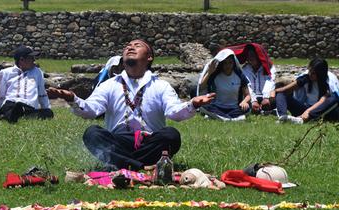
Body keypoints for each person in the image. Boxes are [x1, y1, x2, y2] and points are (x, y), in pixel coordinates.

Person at [47, 39, 215, 171]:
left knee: (171, 135)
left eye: (137, 45)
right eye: (128, 46)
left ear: (149, 57)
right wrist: (72, 99)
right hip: (117, 142)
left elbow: (174, 112)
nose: (130, 47)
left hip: (149, 144)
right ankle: (140, 166)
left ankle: (121, 163)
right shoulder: (110, 84)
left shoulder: (161, 86)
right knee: (92, 133)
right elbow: (91, 110)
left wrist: (192, 104)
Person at [0, 45, 53, 123]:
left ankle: (15, 116)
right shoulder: (6, 73)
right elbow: (1, 95)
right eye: (31, 58)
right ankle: (14, 114)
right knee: (13, 107)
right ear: (21, 60)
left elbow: (42, 94)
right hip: (11, 104)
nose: (34, 61)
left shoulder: (37, 72)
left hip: (28, 106)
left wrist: (47, 108)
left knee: (48, 113)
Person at [272, 58, 339, 124]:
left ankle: (302, 120)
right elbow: (286, 89)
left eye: (313, 73)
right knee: (281, 94)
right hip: (306, 110)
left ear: (320, 74)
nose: (310, 74)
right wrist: (274, 91)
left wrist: (308, 111)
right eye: (310, 71)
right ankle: (283, 118)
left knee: (333, 99)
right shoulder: (306, 77)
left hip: (324, 111)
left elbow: (323, 100)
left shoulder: (329, 81)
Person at [198, 49, 252, 121]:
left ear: (233, 63)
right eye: (225, 63)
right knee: (203, 106)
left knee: (248, 107)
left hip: (234, 108)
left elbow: (248, 95)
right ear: (222, 64)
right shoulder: (215, 75)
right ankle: (232, 119)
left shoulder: (239, 76)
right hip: (217, 107)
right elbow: (202, 87)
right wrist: (209, 72)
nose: (228, 65)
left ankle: (219, 117)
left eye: (230, 63)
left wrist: (244, 101)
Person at [228, 43, 276, 114]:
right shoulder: (245, 70)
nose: (250, 58)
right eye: (249, 56)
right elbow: (247, 85)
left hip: (266, 96)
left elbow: (270, 82)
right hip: (250, 97)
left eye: (253, 56)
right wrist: (253, 101)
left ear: (259, 56)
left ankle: (267, 108)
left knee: (275, 95)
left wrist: (266, 98)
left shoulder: (269, 68)